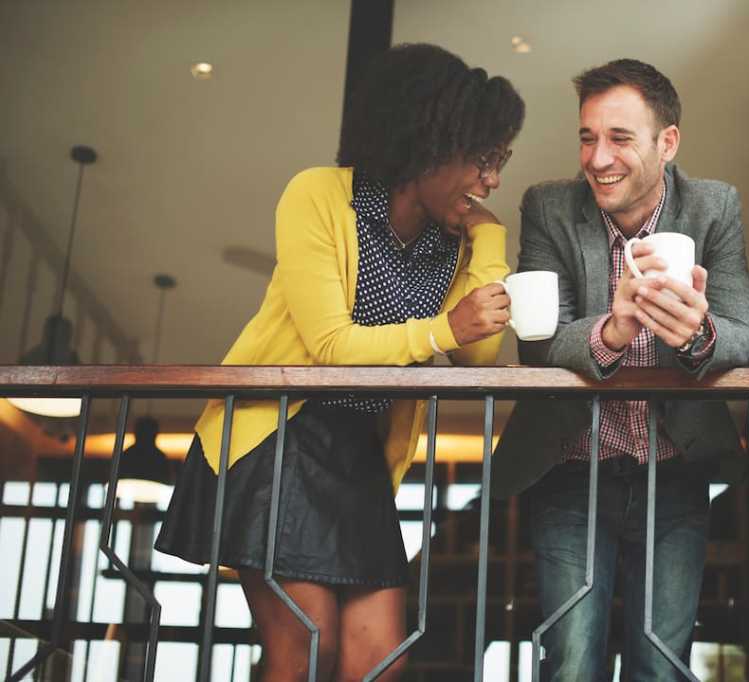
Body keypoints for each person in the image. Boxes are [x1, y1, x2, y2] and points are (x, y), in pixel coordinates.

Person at [155, 43, 524, 682]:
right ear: (430, 142)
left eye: (501, 162)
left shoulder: (452, 238)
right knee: (307, 648)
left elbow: (479, 348)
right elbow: (330, 345)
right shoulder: (321, 196)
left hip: (359, 455)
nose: (492, 179)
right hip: (278, 439)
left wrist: (491, 239)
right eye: (484, 160)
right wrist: (442, 328)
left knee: (381, 660)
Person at [493, 59, 749, 680]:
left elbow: (745, 337)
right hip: (570, 471)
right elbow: (539, 343)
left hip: (675, 472)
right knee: (571, 663)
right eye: (587, 137)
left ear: (668, 142)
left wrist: (697, 331)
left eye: (619, 138)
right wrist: (613, 330)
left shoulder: (714, 206)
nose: (598, 157)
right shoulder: (550, 208)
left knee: (662, 666)